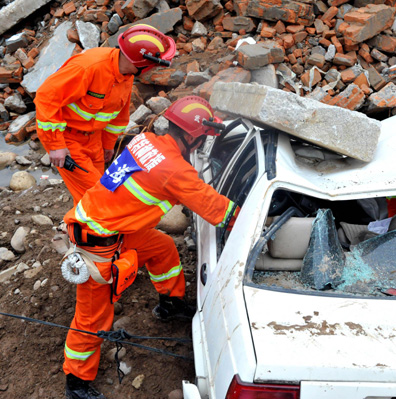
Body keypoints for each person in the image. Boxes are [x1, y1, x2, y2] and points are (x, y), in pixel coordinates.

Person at [60, 96, 239, 399]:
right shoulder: (175, 170)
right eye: (202, 139)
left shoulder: (146, 140)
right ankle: (75, 382)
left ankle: (170, 304)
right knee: (93, 319)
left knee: (163, 246)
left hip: (110, 229)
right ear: (193, 136)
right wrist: (250, 216)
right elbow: (216, 210)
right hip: (97, 246)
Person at [34, 24, 176, 204]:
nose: (154, 68)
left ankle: (84, 226)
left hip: (94, 139)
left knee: (97, 190)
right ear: (141, 62)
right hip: (69, 140)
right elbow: (46, 97)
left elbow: (118, 114)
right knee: (98, 196)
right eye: (153, 64)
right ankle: (84, 230)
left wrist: (108, 144)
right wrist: (55, 144)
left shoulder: (125, 74)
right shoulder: (88, 67)